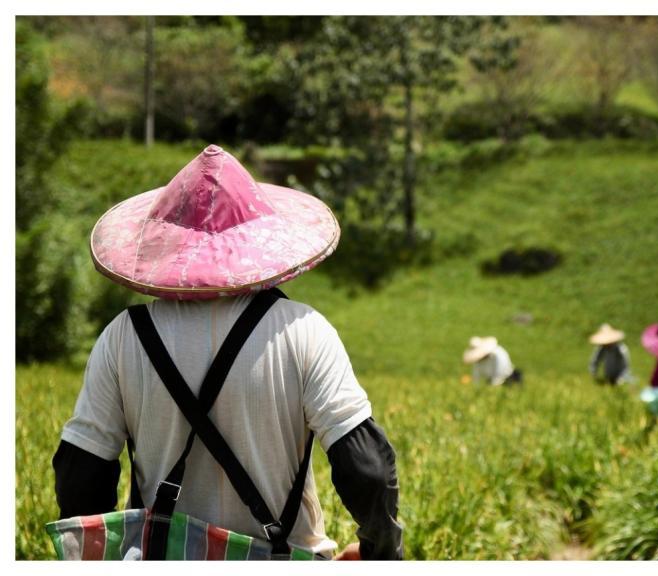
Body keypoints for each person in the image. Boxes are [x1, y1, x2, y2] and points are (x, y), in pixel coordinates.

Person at [52, 145, 403, 560]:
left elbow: (81, 478)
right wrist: (379, 555)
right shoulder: (303, 331)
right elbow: (368, 470)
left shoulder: (123, 337)